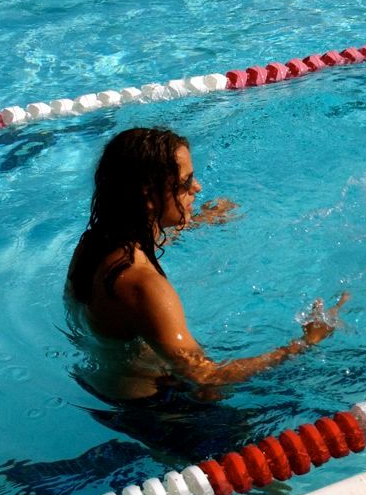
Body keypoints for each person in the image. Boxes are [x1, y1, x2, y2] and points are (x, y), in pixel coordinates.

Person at [66, 127, 346, 401]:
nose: (197, 188)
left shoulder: (94, 243)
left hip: (106, 384)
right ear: (148, 196)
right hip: (157, 411)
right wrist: (303, 344)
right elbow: (205, 377)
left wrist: (198, 220)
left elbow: (145, 238)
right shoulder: (145, 286)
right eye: (186, 183)